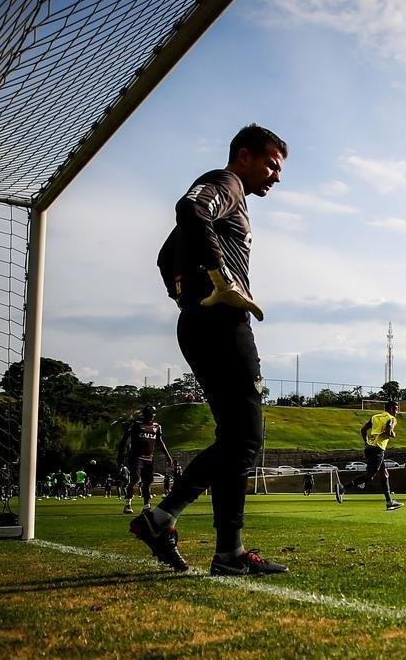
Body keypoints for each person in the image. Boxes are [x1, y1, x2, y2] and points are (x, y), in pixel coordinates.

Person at [130, 124, 289, 576]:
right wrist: (221, 281)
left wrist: (185, 293)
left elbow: (166, 256)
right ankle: (210, 543)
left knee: (234, 439)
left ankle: (183, 531)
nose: (276, 176)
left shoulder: (232, 194)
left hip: (198, 322)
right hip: (220, 323)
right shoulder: (227, 185)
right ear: (244, 155)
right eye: (272, 165)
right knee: (246, 438)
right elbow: (190, 207)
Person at [335, 401, 404, 511]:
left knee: (384, 474)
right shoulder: (391, 418)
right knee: (369, 476)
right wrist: (393, 434)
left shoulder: (375, 417)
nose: (397, 411)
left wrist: (366, 442)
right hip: (378, 449)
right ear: (391, 409)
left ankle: (389, 502)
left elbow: (363, 430)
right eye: (396, 409)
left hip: (370, 448)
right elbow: (389, 431)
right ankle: (343, 488)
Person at [117, 405, 174, 515]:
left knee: (147, 482)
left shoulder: (157, 427)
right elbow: (125, 440)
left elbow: (160, 442)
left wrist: (168, 456)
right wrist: (121, 456)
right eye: (149, 414)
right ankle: (128, 504)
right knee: (135, 479)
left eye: (152, 414)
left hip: (149, 458)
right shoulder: (137, 425)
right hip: (136, 457)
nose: (151, 416)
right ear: (145, 415)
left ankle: (146, 506)